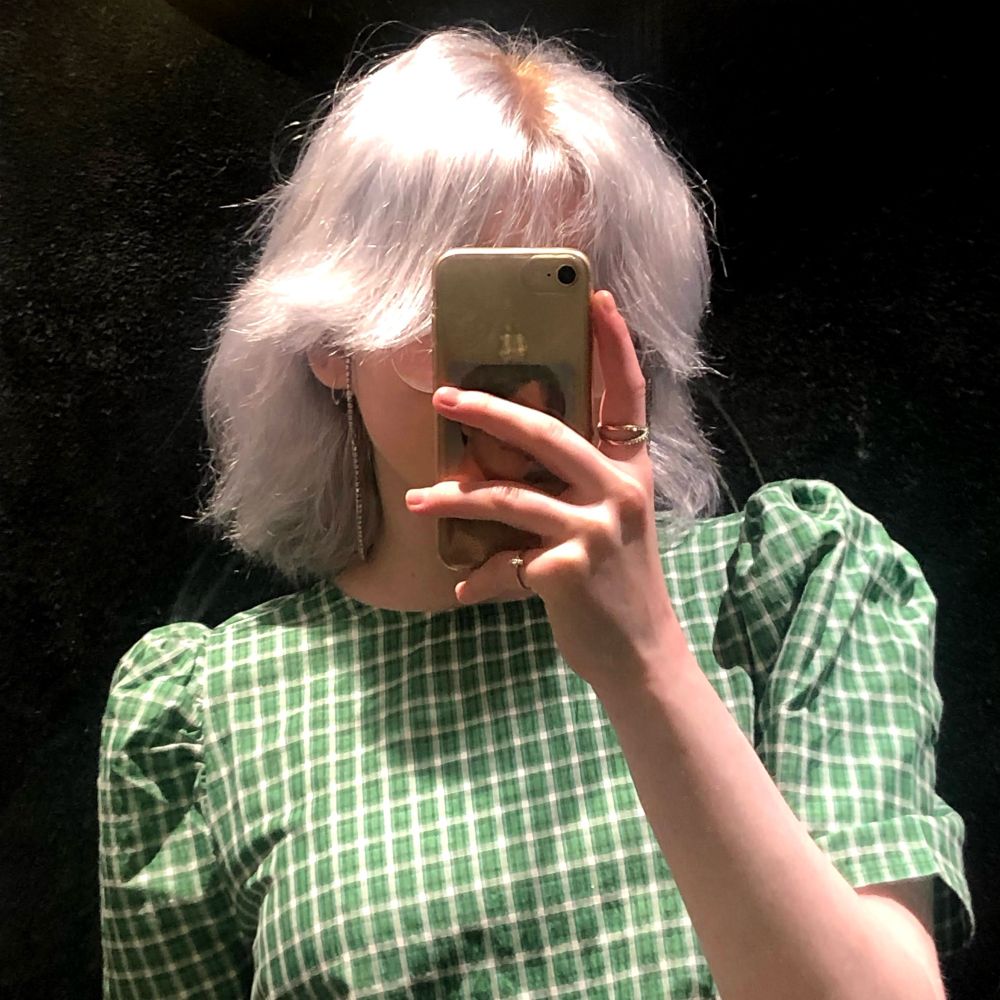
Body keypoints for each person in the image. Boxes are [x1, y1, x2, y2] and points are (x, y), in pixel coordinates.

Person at [97, 24, 974, 999]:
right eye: (465, 301)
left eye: (560, 303)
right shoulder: (205, 715)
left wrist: (646, 663)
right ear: (330, 341)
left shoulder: (789, 588)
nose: (515, 370)